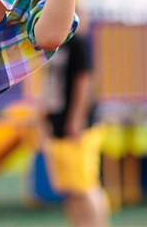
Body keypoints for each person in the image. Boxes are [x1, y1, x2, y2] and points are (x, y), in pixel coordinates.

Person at [42, 32, 110, 227]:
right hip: (58, 122)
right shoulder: (51, 44)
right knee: (71, 187)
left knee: (85, 185)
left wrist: (77, 118)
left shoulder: (77, 43)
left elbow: (85, 80)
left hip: (76, 125)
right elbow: (51, 85)